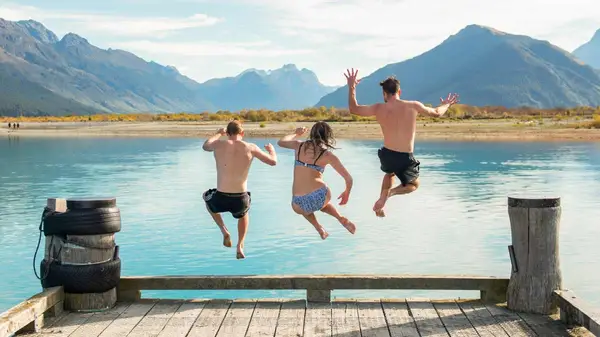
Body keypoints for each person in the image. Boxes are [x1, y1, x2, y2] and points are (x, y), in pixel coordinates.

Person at [343, 68, 459, 217]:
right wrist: (447, 104)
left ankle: (380, 205)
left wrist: (352, 87)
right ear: (400, 91)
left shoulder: (378, 108)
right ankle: (390, 193)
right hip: (405, 156)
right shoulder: (413, 105)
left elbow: (354, 109)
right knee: (414, 184)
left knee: (389, 173)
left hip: (387, 154)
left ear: (384, 93)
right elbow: (437, 113)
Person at [202, 120, 278, 259]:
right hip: (240, 199)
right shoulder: (251, 147)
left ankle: (224, 230)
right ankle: (240, 245)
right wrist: (271, 150)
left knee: (206, 196)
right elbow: (273, 162)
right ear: (242, 133)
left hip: (220, 197)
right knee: (244, 213)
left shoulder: (219, 144)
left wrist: (218, 134)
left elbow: (206, 146)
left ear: (227, 133)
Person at [277, 122, 356, 240]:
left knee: (307, 207)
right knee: (319, 203)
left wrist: (296, 133)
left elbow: (281, 142)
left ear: (311, 133)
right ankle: (340, 218)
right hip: (321, 196)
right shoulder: (327, 155)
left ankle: (319, 228)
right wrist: (346, 193)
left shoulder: (298, 146)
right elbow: (349, 179)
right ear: (327, 136)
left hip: (298, 204)